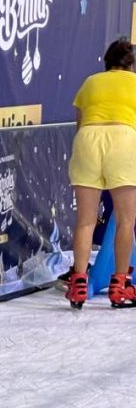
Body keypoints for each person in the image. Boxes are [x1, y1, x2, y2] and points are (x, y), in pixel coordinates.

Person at [65, 36, 136, 309]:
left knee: (85, 220)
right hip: (123, 139)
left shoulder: (90, 83)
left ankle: (78, 284)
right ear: (130, 65)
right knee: (125, 220)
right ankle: (120, 286)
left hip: (88, 141)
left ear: (107, 63)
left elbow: (80, 124)